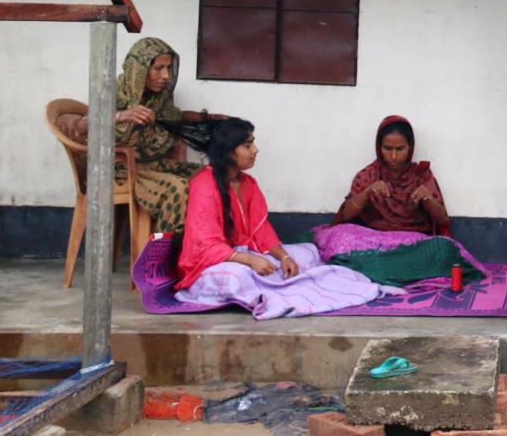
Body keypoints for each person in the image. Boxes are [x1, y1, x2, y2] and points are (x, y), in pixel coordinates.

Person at [175, 118, 393, 319]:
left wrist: (284, 256)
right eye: (248, 145)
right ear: (228, 152)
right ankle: (277, 292)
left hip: (244, 254)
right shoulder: (203, 185)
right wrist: (250, 260)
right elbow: (206, 245)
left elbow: (261, 231)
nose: (255, 150)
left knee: (307, 252)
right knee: (238, 277)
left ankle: (283, 287)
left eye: (253, 143)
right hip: (210, 265)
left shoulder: (248, 183)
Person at [74, 37, 215, 232]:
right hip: (121, 171)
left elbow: (173, 118)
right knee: (177, 188)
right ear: (140, 68)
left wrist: (209, 119)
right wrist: (120, 116)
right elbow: (81, 126)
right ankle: (162, 249)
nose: (166, 75)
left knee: (209, 177)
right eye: (158, 68)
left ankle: (201, 245)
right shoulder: (111, 91)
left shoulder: (159, 97)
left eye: (169, 68)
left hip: (154, 165)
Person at [332, 116, 450, 235]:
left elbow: (442, 220)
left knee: (442, 245)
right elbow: (345, 215)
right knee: (339, 235)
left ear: (410, 147)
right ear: (379, 147)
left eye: (400, 149)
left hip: (415, 241)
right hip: (374, 239)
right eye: (387, 148)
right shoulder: (369, 175)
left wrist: (428, 200)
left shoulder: (421, 175)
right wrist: (367, 193)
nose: (393, 156)